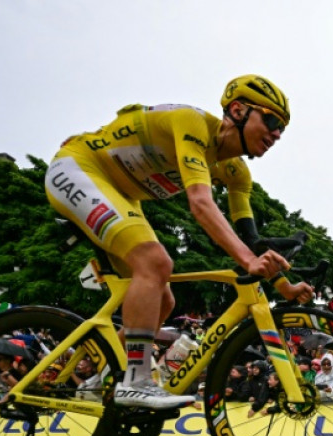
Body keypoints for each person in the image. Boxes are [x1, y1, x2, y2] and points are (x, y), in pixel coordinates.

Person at [44, 75, 313, 410]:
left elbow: (251, 243)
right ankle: (136, 381)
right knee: (155, 262)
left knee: (164, 300)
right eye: (271, 121)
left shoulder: (237, 173)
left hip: (121, 194)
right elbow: (200, 204)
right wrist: (247, 261)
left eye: (282, 129)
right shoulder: (193, 124)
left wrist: (284, 288)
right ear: (238, 110)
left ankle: (107, 377)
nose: (276, 134)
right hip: (79, 167)